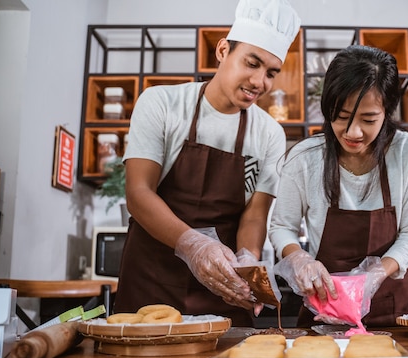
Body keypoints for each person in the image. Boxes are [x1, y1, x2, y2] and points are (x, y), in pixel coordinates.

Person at [112, 0, 301, 327]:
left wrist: (247, 263)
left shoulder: (269, 133)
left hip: (222, 286)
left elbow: (254, 215)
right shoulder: (163, 104)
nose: (260, 82)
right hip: (150, 279)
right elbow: (139, 193)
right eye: (252, 63)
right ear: (223, 50)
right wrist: (193, 246)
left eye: (271, 73)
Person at [269, 45, 408, 328]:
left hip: (396, 310)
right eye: (341, 117)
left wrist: (373, 275)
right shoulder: (306, 157)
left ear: (387, 111)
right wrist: (298, 259)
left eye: (368, 119)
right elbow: (281, 227)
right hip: (326, 307)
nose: (352, 132)